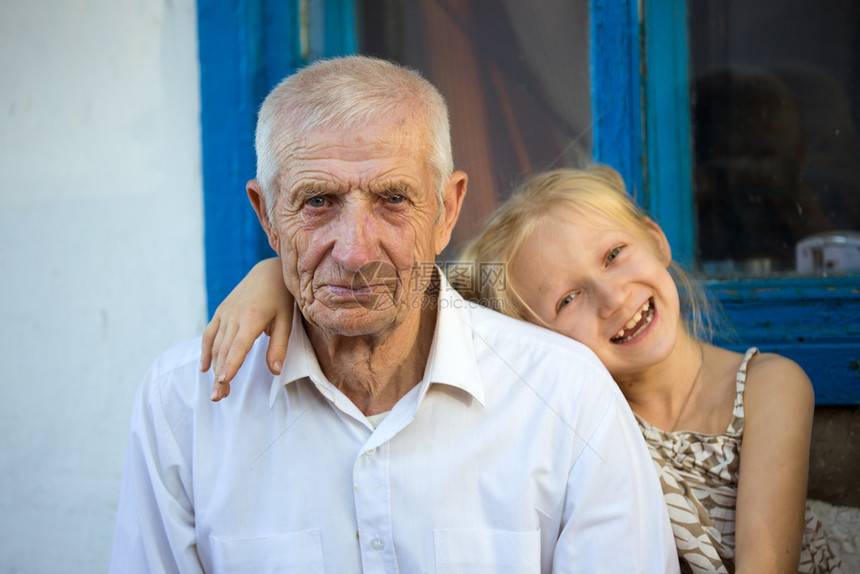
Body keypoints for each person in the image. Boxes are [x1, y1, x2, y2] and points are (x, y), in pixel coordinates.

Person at [110, 56, 678, 573]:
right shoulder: (184, 404)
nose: (355, 251)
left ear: (447, 210)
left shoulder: (565, 392)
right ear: (267, 217)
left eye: (393, 200)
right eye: (317, 201)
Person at [204, 166, 843, 573]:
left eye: (616, 254)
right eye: (566, 299)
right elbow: (407, 290)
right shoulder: (559, 414)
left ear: (655, 236)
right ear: (533, 338)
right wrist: (280, 279)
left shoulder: (767, 386)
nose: (613, 296)